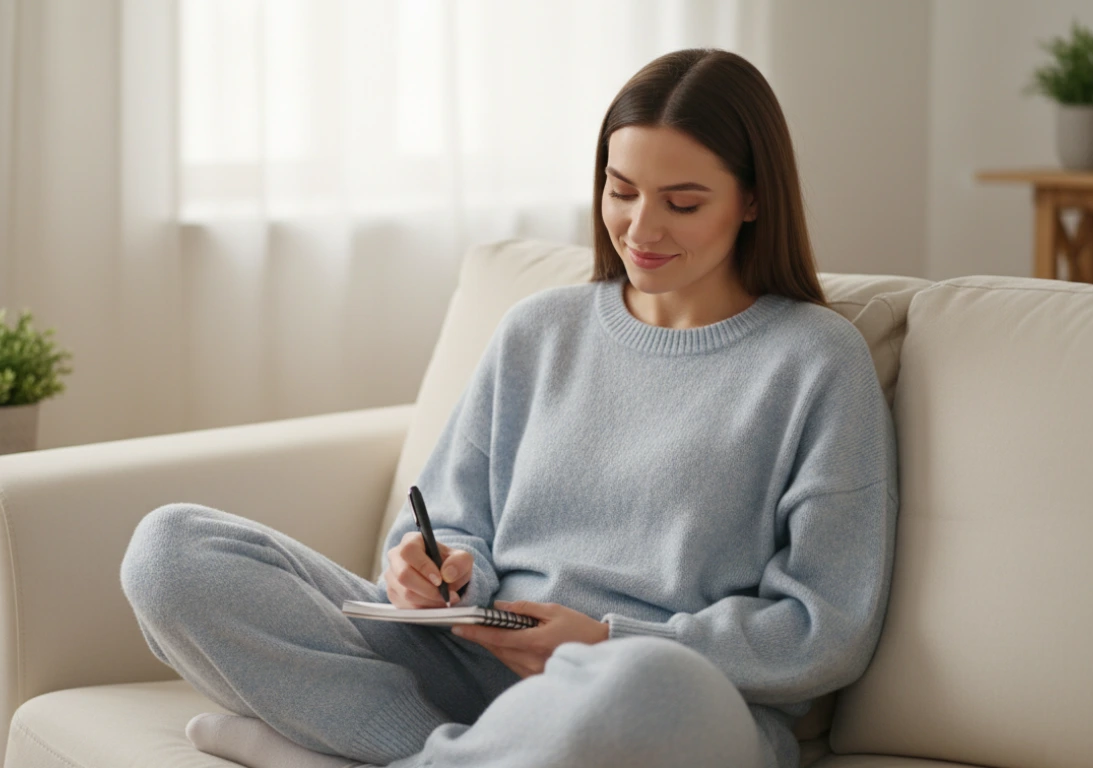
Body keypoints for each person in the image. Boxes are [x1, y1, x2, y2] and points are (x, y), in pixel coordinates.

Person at [120, 47, 899, 768]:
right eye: (619, 191)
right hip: (476, 658)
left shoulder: (814, 361)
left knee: (646, 683)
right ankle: (429, 750)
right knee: (172, 551)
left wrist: (604, 640)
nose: (640, 228)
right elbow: (449, 522)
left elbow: (824, 631)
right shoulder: (541, 329)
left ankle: (339, 746)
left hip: (656, 694)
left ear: (754, 198)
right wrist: (440, 571)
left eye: (683, 203)